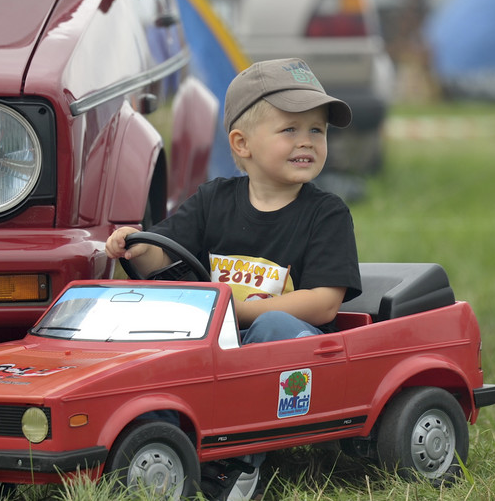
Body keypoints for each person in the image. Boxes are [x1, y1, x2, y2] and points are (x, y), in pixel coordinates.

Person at [104, 57, 362, 500]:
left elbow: (324, 304)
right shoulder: (213, 201)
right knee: (161, 341)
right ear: (242, 144)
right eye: (290, 130)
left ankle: (239, 459)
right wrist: (135, 242)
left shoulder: (326, 213)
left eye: (316, 131)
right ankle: (159, 436)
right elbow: (161, 257)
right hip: (217, 344)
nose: (307, 142)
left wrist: (235, 310)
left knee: (272, 327)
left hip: (296, 355)